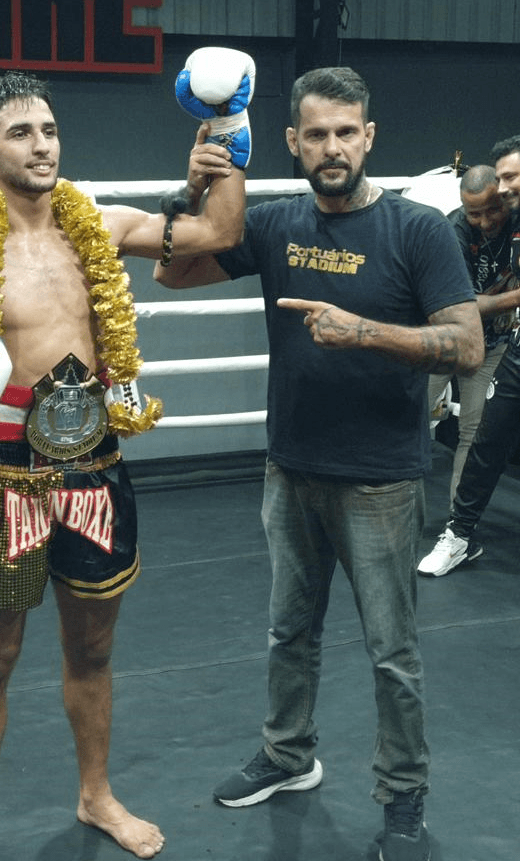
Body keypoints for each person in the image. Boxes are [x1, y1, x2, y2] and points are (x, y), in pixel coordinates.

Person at [0, 60, 250, 861]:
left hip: (95, 464)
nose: (41, 145)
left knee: (92, 650)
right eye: (21, 132)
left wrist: (228, 135)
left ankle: (95, 795)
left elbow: (216, 233)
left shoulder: (97, 224)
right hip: (1, 477)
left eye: (50, 129)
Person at [154, 66, 483, 861]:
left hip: (380, 479)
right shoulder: (274, 224)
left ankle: (402, 796)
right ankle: (287, 754)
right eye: (316, 134)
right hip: (291, 467)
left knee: (391, 652)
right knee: (287, 631)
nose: (331, 147)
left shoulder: (416, 231)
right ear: (294, 142)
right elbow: (173, 269)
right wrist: (191, 192)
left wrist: (363, 329)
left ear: (367, 137)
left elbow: (467, 346)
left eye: (346, 132)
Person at [417, 135, 520, 578]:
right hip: (447, 341)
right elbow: (459, 305)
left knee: (476, 433)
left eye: (491, 208)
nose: (483, 220)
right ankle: (382, 509)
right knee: (411, 413)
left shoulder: (516, 221)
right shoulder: (453, 229)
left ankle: (459, 530)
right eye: (474, 211)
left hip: (496, 346)